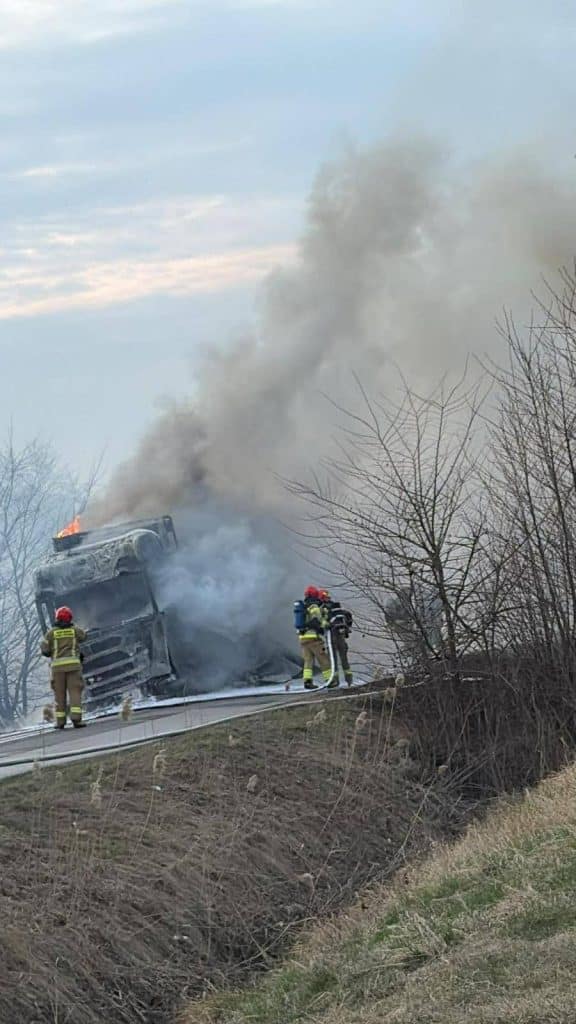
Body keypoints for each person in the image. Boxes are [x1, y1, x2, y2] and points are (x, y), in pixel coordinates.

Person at [41, 606, 87, 729]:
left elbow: (44, 650)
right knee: (75, 693)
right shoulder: (75, 630)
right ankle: (76, 720)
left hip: (57, 669)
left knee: (59, 695)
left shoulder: (50, 633)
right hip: (74, 667)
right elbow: (84, 636)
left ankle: (60, 722)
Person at [296, 586, 333, 690]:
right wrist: (327, 624)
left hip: (303, 638)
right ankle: (329, 680)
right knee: (323, 659)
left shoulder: (304, 606)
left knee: (308, 661)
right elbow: (318, 619)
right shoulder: (314, 606)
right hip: (313, 638)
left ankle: (307, 682)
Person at [319, 589, 354, 687]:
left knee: (333, 659)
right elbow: (348, 615)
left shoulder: (323, 608)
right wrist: (347, 629)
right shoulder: (337, 607)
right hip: (341, 636)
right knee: (344, 659)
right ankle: (349, 680)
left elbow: (322, 622)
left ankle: (335, 681)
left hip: (331, 636)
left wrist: (324, 627)